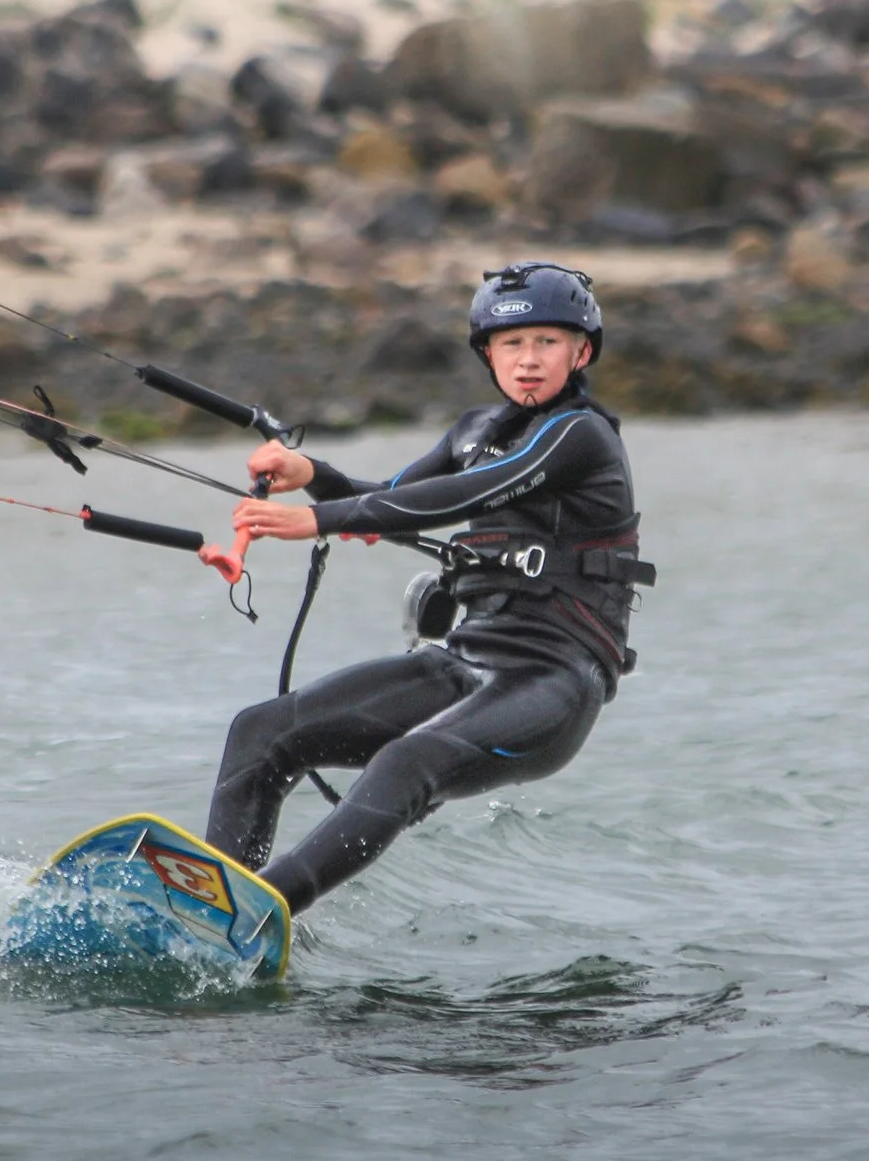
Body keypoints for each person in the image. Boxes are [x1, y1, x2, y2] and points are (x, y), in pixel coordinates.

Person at [207, 262, 654, 914]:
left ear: (581, 351)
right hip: (462, 661)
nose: (528, 360)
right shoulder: (477, 432)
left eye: (547, 342)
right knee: (262, 731)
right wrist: (313, 473)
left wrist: (315, 519)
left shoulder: (579, 434)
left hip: (551, 680)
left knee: (404, 761)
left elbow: (468, 493)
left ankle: (259, 909)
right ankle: (208, 902)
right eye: (511, 344)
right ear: (488, 353)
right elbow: (397, 499)